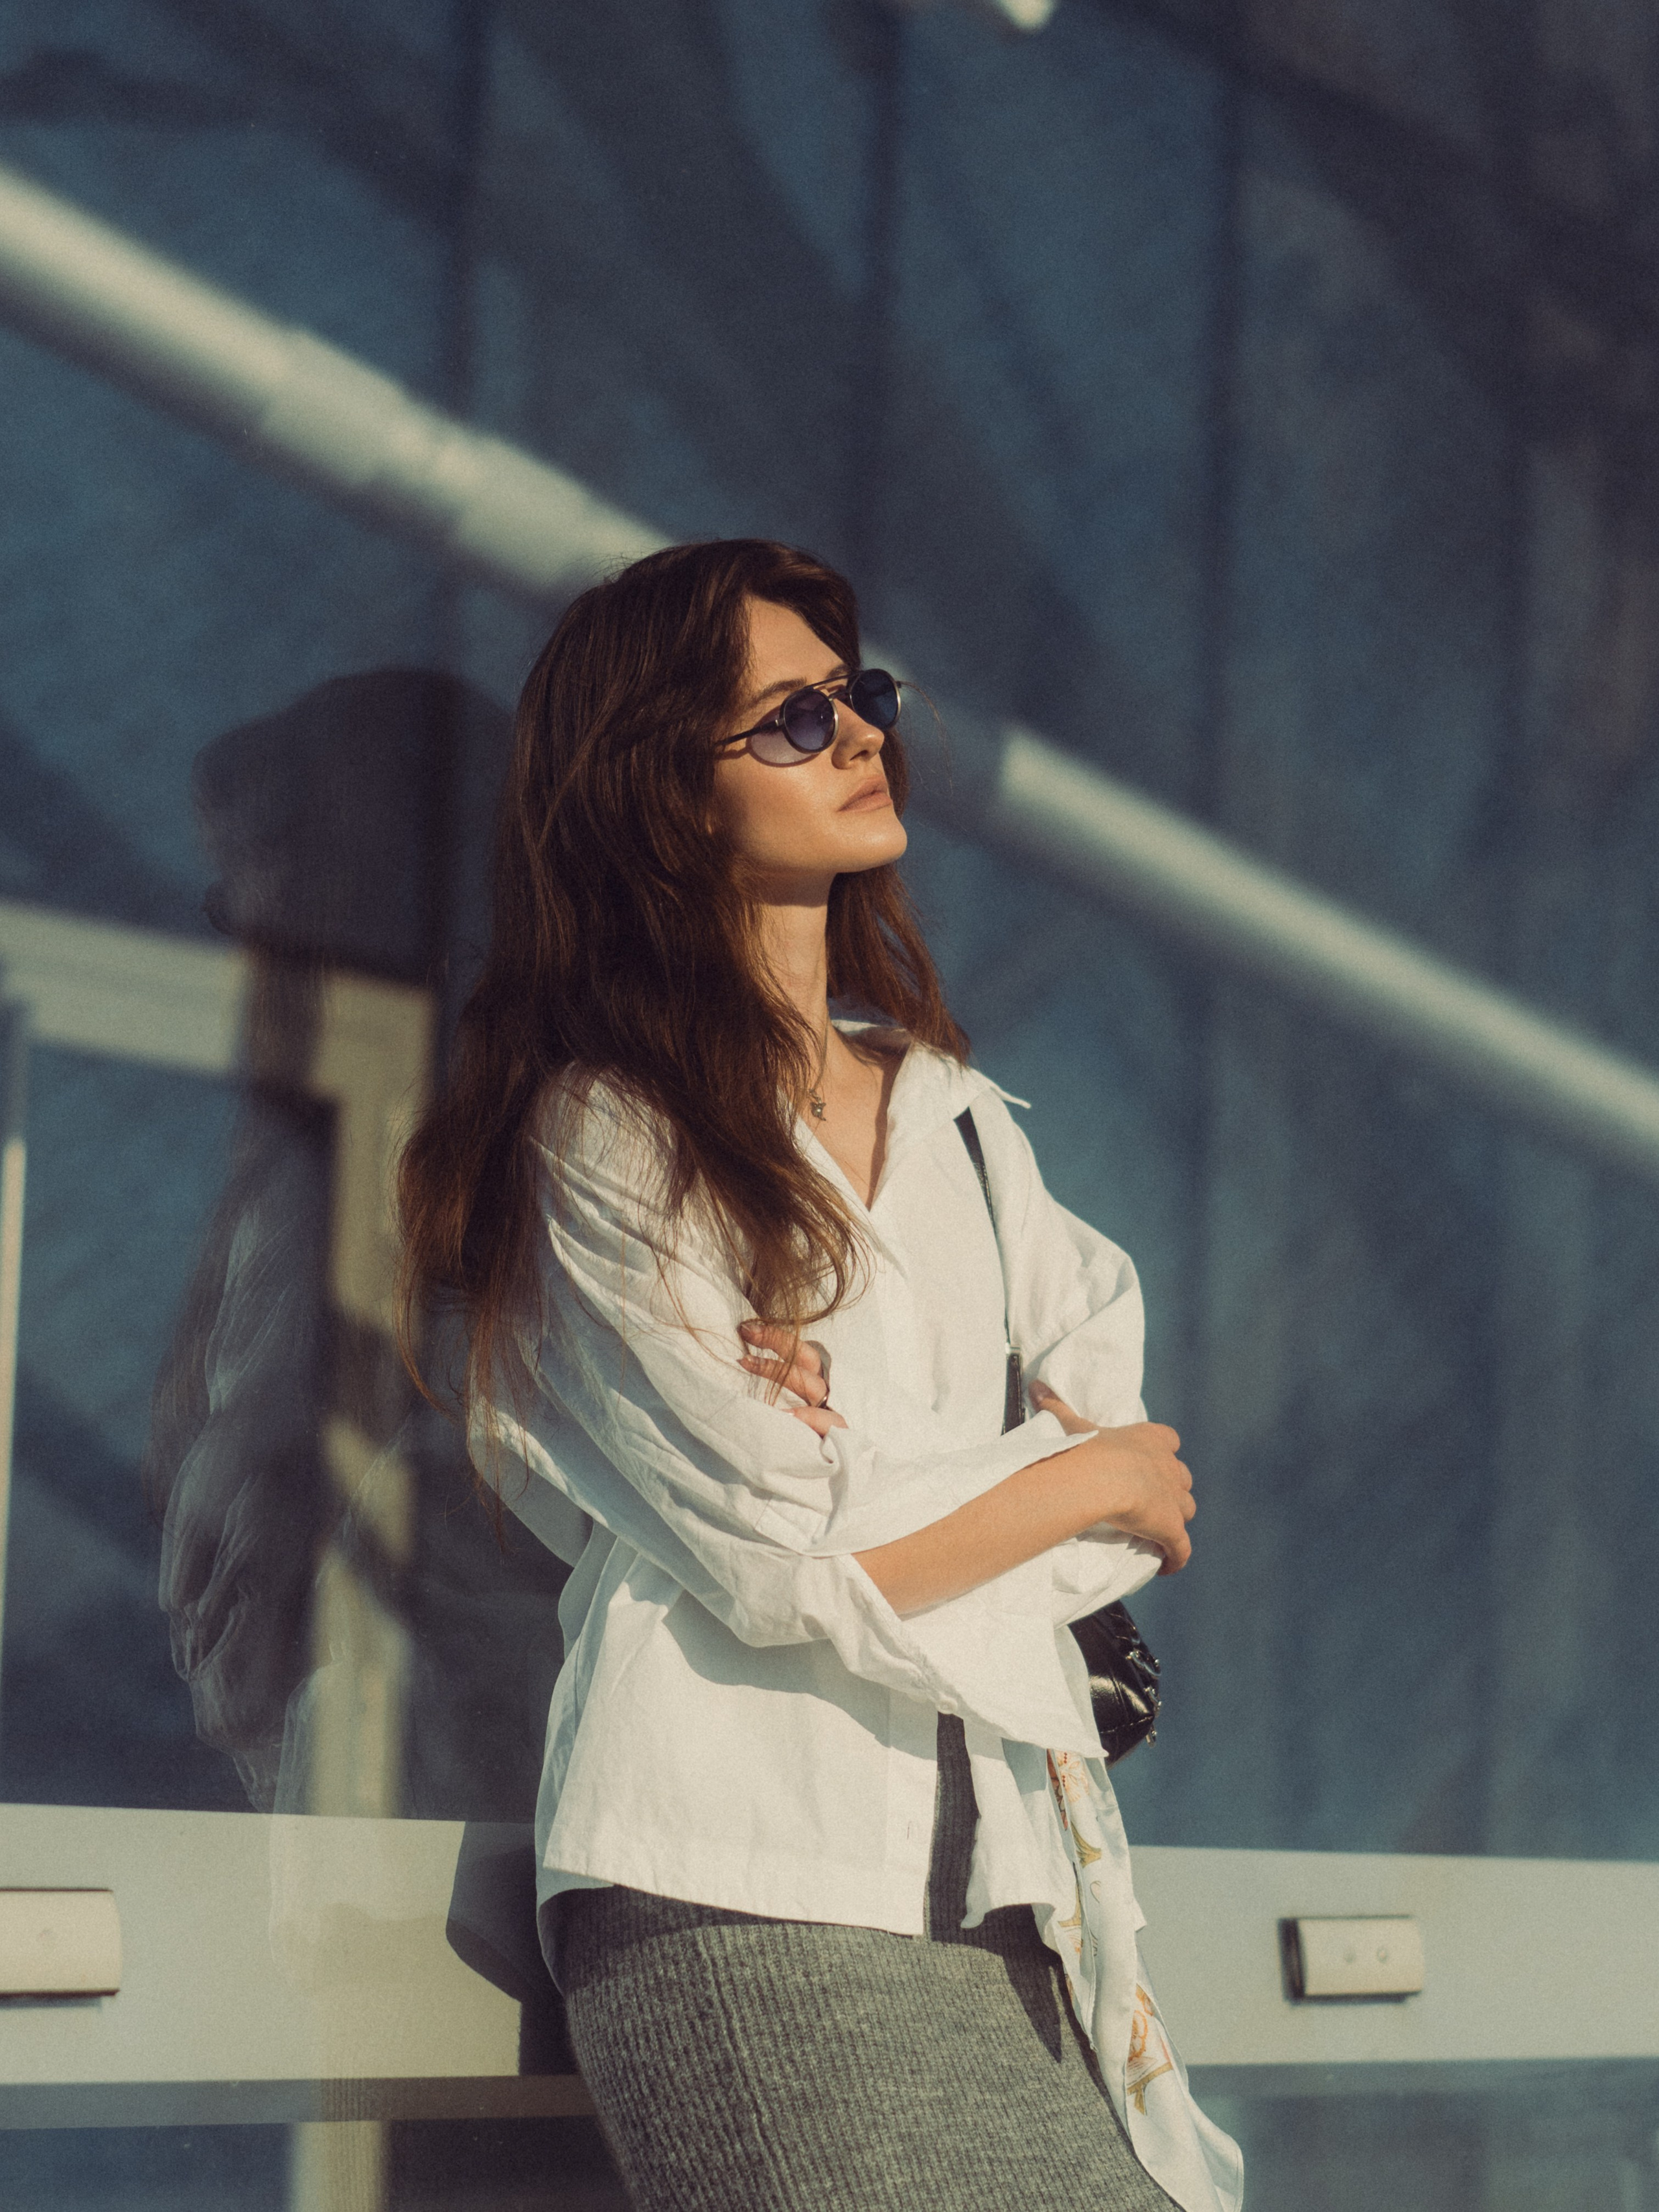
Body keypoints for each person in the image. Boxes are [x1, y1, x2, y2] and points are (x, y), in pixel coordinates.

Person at [399, 540, 1243, 2211]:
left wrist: (959, 1496)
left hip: (1020, 1896)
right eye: (793, 720)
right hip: (736, 1890)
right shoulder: (608, 1131)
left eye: (861, 697)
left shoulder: (964, 1125)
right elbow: (787, 1551)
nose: (862, 735)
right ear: (664, 796)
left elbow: (1130, 1507)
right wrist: (1052, 1478)